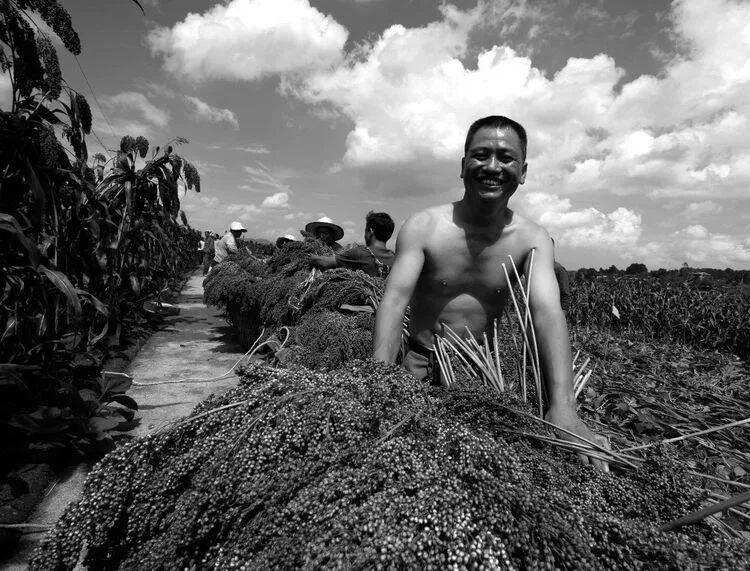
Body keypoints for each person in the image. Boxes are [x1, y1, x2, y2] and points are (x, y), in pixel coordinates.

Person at [373, 115, 609, 471]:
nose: (492, 166)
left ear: (523, 171)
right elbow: (395, 300)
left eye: (506, 157)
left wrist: (563, 406)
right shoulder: (425, 226)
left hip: (479, 373)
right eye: (481, 154)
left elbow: (547, 312)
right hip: (420, 362)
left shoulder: (533, 239)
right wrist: (378, 377)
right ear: (463, 164)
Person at [310, 211, 396, 278]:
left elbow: (325, 262)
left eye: (366, 230)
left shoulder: (360, 253)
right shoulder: (395, 258)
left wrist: (308, 256)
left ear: (371, 231)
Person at [550, 238, 571, 311]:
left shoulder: (558, 269)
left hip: (555, 313)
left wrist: (562, 314)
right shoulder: (537, 268)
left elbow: (565, 294)